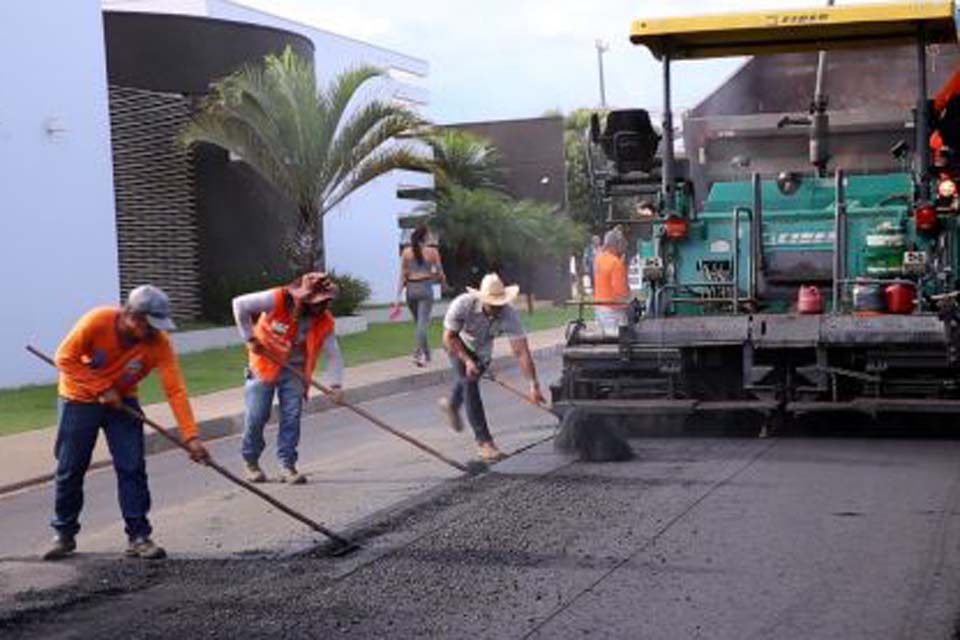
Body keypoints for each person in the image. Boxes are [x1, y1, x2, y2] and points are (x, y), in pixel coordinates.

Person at [44, 285, 210, 561]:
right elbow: (64, 357)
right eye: (150, 325)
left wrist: (190, 436)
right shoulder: (96, 321)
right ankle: (64, 534)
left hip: (123, 401)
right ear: (132, 316)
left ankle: (139, 536)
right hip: (78, 399)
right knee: (70, 467)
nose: (155, 332)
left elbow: (175, 390)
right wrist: (100, 387)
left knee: (132, 466)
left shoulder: (159, 342)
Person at [232, 272, 344, 485]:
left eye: (326, 301)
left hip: (295, 370)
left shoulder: (325, 321)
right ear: (304, 297)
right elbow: (239, 304)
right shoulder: (276, 298)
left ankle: (287, 465)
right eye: (318, 301)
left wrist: (336, 385)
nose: (323, 306)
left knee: (291, 418)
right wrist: (249, 338)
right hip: (264, 365)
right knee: (257, 416)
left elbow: (333, 353)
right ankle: (251, 461)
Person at [438, 273, 545, 462]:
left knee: (468, 382)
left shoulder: (508, 314)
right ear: (482, 298)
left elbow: (521, 352)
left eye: (500, 303)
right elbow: (448, 338)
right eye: (493, 303)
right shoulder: (463, 305)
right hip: (458, 345)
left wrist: (533, 385)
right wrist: (467, 360)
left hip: (482, 352)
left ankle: (452, 405)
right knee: (470, 384)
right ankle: (485, 444)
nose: (497, 308)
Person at [396, 224, 447, 367]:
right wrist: (443, 283)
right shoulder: (432, 252)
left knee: (419, 323)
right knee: (422, 324)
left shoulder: (406, 252)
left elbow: (402, 276)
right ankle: (419, 353)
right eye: (429, 234)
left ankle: (427, 353)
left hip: (411, 289)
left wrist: (397, 297)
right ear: (425, 236)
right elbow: (440, 272)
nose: (430, 236)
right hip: (425, 287)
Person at [593, 228, 630, 337]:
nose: (624, 247)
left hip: (599, 307)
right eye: (622, 244)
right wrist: (628, 300)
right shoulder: (616, 263)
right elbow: (619, 290)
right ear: (615, 244)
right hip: (614, 311)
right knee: (617, 342)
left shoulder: (598, 259)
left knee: (603, 340)